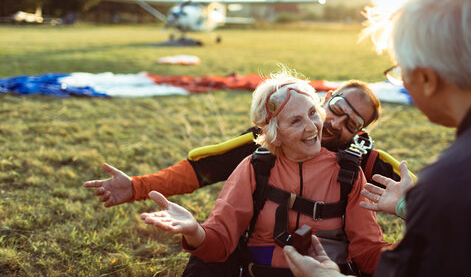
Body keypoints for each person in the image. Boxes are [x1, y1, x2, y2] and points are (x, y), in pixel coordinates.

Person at [283, 0, 471, 276]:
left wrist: (323, 275)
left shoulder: (457, 182)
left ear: (427, 79)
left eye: (400, 71)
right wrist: (410, 205)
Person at [139, 73, 392, 276]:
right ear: (272, 132)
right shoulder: (255, 165)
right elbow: (207, 172)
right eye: (295, 121)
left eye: (312, 113)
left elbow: (369, 250)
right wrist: (194, 230)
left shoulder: (355, 169)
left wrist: (418, 252)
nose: (312, 127)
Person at [84, 80, 410, 207]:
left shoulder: (365, 161)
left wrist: (406, 205)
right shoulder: (273, 134)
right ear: (326, 98)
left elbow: (424, 199)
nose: (337, 123)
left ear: (358, 134)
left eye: (351, 123)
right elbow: (205, 168)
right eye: (337, 110)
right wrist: (137, 186)